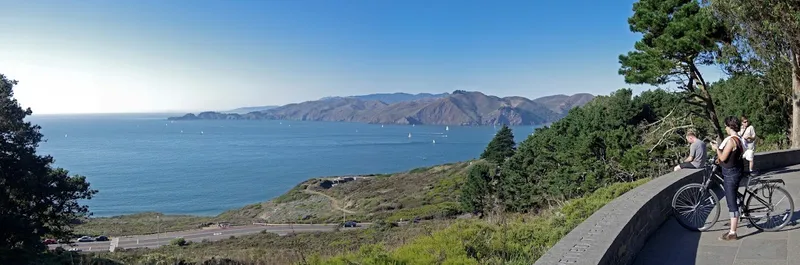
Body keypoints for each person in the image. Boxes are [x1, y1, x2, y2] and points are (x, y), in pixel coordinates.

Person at [711, 116, 746, 241]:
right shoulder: (738, 139)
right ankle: (735, 221)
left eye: (726, 126)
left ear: (730, 126)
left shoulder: (731, 141)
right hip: (737, 171)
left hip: (731, 174)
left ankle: (732, 233)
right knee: (733, 197)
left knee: (731, 203)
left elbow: (724, 157)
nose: (725, 128)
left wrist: (716, 149)